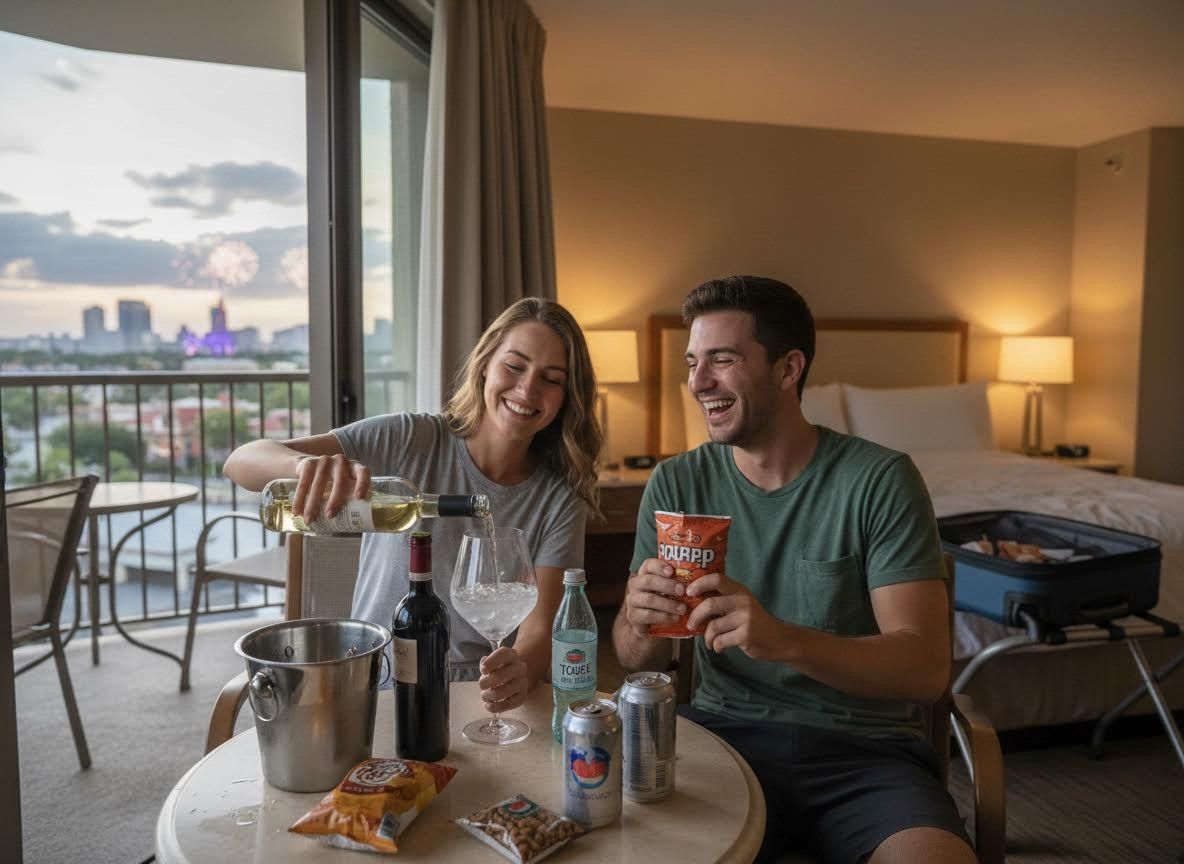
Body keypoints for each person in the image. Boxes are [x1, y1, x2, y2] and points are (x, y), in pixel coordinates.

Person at [612, 276, 975, 864]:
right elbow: (639, 658)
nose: (698, 383)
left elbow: (925, 669)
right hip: (721, 745)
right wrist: (635, 620)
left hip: (867, 756)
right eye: (692, 362)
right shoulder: (677, 482)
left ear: (788, 369)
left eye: (722, 360)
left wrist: (781, 640)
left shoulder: (878, 481)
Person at [224, 297, 601, 715]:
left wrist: (520, 670)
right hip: (375, 677)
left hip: (478, 694)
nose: (527, 389)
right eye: (514, 366)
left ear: (567, 398)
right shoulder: (410, 439)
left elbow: (538, 631)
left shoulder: (559, 496)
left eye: (551, 379)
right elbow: (241, 462)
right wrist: (303, 466)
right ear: (484, 365)